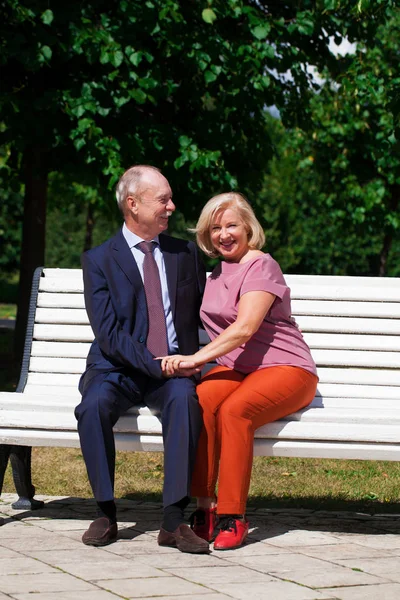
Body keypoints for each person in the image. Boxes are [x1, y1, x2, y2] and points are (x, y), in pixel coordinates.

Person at [159, 192, 318, 551]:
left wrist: (195, 359)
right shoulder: (216, 273)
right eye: (215, 228)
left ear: (249, 227)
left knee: (235, 411)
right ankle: (204, 509)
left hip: (287, 368)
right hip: (239, 369)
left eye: (231, 225)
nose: (224, 234)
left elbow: (245, 328)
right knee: (202, 400)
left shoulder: (261, 265)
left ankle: (233, 515)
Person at [75, 165, 209, 554]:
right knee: (93, 406)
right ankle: (105, 512)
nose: (172, 206)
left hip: (172, 372)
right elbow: (109, 333)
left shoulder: (185, 254)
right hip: (116, 367)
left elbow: (209, 307)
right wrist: (159, 363)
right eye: (163, 199)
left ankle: (172, 521)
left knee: (186, 400)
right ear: (132, 204)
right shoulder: (99, 259)